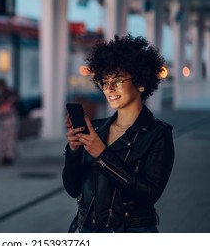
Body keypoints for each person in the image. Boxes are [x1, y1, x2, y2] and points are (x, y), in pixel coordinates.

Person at [63, 34, 174, 233]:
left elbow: (149, 195)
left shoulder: (158, 134)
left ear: (141, 82)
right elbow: (73, 189)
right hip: (85, 229)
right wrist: (72, 151)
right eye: (105, 82)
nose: (110, 89)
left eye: (118, 80)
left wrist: (102, 155)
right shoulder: (96, 130)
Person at [0, 78, 19, 165]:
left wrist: (1, 109)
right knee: (3, 138)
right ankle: (4, 156)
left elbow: (9, 105)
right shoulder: (1, 95)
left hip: (8, 117)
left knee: (8, 137)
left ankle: (8, 156)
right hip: (3, 118)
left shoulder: (8, 94)